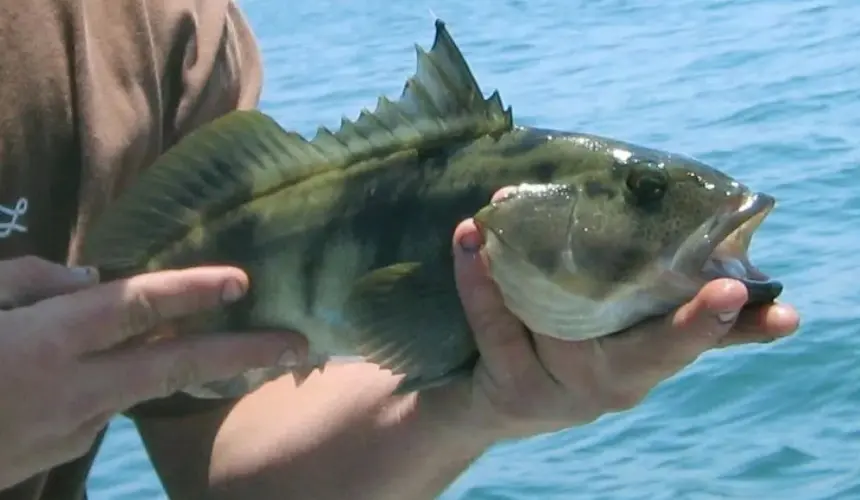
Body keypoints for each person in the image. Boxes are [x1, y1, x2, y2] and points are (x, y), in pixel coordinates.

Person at [0, 1, 800, 499]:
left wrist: (478, 407)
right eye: (645, 195)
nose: (662, 207)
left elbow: (220, 464)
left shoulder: (158, 30)